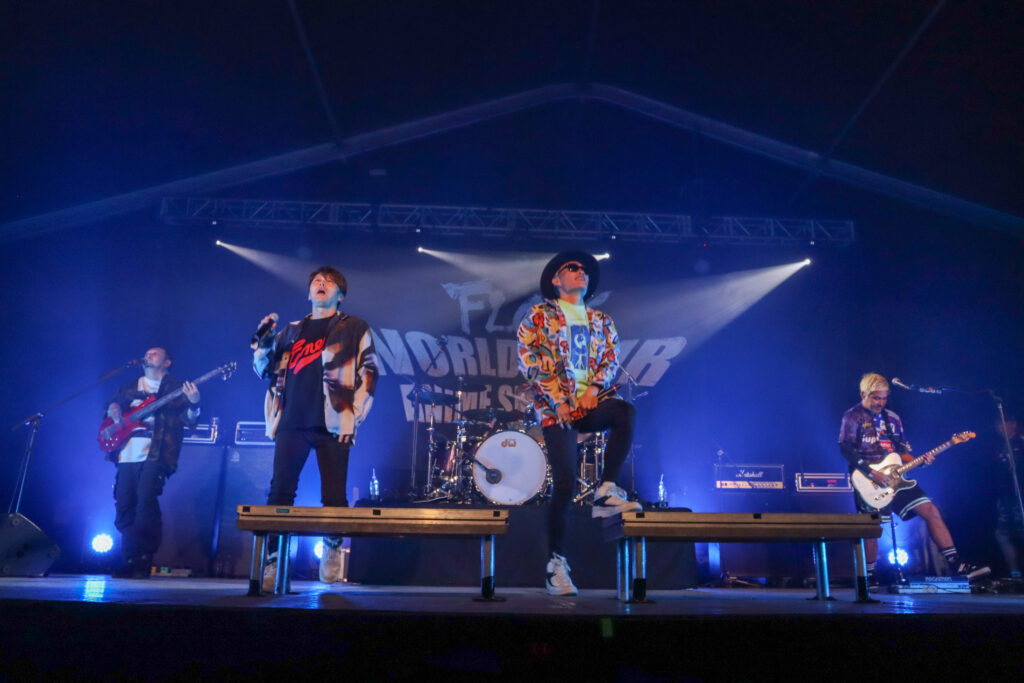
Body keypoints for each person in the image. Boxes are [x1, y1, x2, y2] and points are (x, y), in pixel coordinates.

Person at [517, 251, 640, 596]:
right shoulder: (538, 316)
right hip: (555, 409)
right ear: (556, 280)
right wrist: (559, 400)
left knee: (625, 413)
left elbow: (611, 356)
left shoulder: (601, 320)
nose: (580, 272)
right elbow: (529, 360)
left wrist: (595, 389)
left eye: (584, 269)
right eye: (572, 268)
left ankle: (606, 489)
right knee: (566, 484)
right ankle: (555, 565)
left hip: (591, 403)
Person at [252, 266, 377, 591]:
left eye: (329, 281)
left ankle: (333, 549)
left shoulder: (354, 327)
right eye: (316, 282)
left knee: (334, 495)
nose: (321, 284)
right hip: (292, 420)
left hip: (335, 422)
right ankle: (274, 561)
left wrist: (355, 413)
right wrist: (262, 342)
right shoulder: (291, 331)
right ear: (309, 294)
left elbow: (370, 370)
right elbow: (262, 370)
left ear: (340, 294)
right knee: (280, 492)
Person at [838, 373, 989, 583]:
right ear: (863, 394)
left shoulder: (892, 418)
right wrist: (873, 473)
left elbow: (901, 450)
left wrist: (921, 460)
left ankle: (957, 564)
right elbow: (846, 449)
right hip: (869, 479)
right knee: (872, 527)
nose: (880, 403)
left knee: (930, 510)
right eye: (875, 398)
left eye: (883, 398)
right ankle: (868, 576)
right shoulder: (853, 416)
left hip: (899, 477)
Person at [105, 347, 200, 578]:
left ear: (167, 362)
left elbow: (190, 421)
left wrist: (195, 403)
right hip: (127, 452)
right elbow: (110, 415)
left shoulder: (175, 388)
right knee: (125, 503)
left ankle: (144, 557)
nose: (149, 355)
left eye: (155, 354)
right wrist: (112, 411)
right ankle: (130, 558)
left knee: (146, 500)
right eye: (147, 353)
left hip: (157, 452)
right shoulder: (128, 387)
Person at [993, 415, 1024, 578]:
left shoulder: (1021, 442)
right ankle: (1015, 573)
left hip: (1020, 496)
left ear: (1013, 423)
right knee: (1002, 533)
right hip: (1006, 497)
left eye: (1001, 422)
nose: (998, 427)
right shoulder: (999, 446)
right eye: (997, 423)